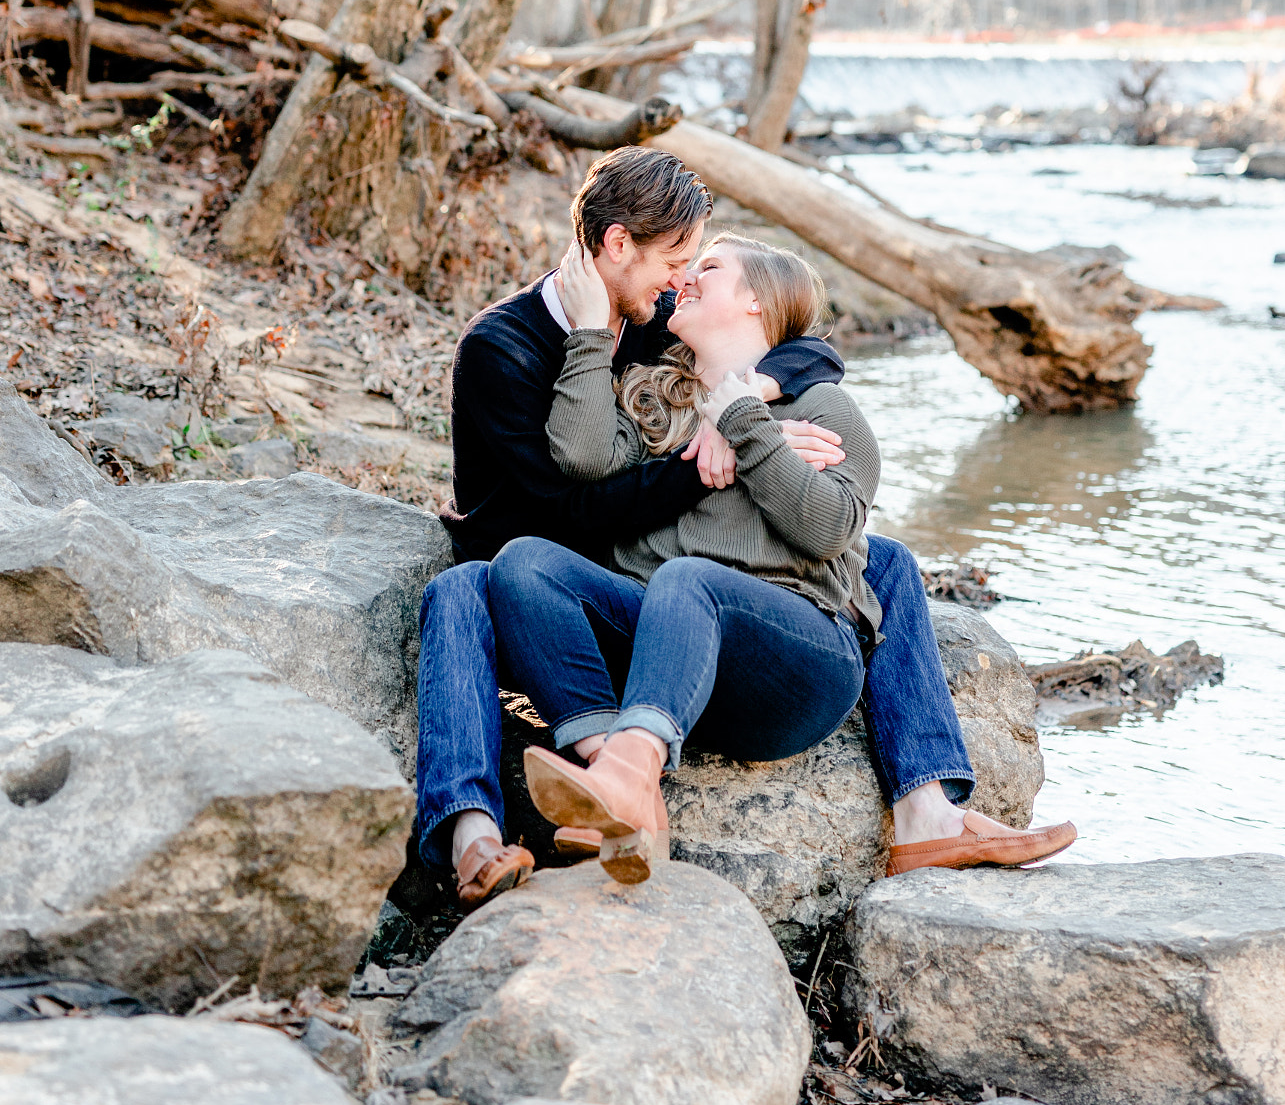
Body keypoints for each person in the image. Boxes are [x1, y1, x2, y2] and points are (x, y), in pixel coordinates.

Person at [416, 145, 1075, 911]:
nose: (682, 282)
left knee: (881, 560)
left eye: (698, 269)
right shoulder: (501, 351)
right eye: (677, 261)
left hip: (671, 591)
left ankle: (925, 804)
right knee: (470, 585)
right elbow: (573, 508)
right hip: (557, 566)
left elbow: (806, 341)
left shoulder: (660, 316)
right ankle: (494, 829)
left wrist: (743, 401)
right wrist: (702, 456)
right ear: (617, 246)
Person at [487, 234, 882, 881]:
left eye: (711, 268)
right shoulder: (655, 401)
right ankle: (619, 789)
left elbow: (828, 529)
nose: (686, 278)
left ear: (756, 300)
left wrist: (743, 422)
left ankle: (628, 770)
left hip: (792, 666)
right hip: (674, 664)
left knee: (689, 578)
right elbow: (581, 456)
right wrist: (590, 332)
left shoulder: (819, 405)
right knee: (523, 565)